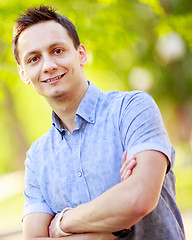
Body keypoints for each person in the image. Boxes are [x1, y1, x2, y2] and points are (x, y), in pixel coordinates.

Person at [12, 5, 185, 240]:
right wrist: (109, 227)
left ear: (81, 54)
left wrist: (63, 222)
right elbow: (33, 237)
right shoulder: (37, 157)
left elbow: (138, 199)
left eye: (58, 50)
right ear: (24, 74)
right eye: (34, 59)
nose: (48, 65)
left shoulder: (132, 109)